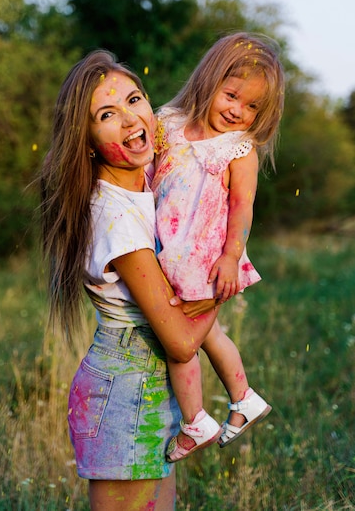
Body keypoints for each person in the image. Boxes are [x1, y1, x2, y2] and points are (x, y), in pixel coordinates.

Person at [39, 50, 223, 511]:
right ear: (86, 140)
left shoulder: (143, 181)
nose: (130, 119)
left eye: (134, 99)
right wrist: (226, 273)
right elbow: (181, 342)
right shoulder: (116, 215)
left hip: (149, 383)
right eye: (106, 114)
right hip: (123, 392)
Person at [150, 32, 285, 461]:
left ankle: (195, 422)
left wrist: (230, 257)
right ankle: (243, 399)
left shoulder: (239, 149)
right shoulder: (167, 122)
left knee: (180, 344)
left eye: (252, 107)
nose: (237, 111)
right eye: (232, 96)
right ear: (209, 80)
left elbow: (243, 206)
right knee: (207, 335)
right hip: (163, 255)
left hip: (204, 263)